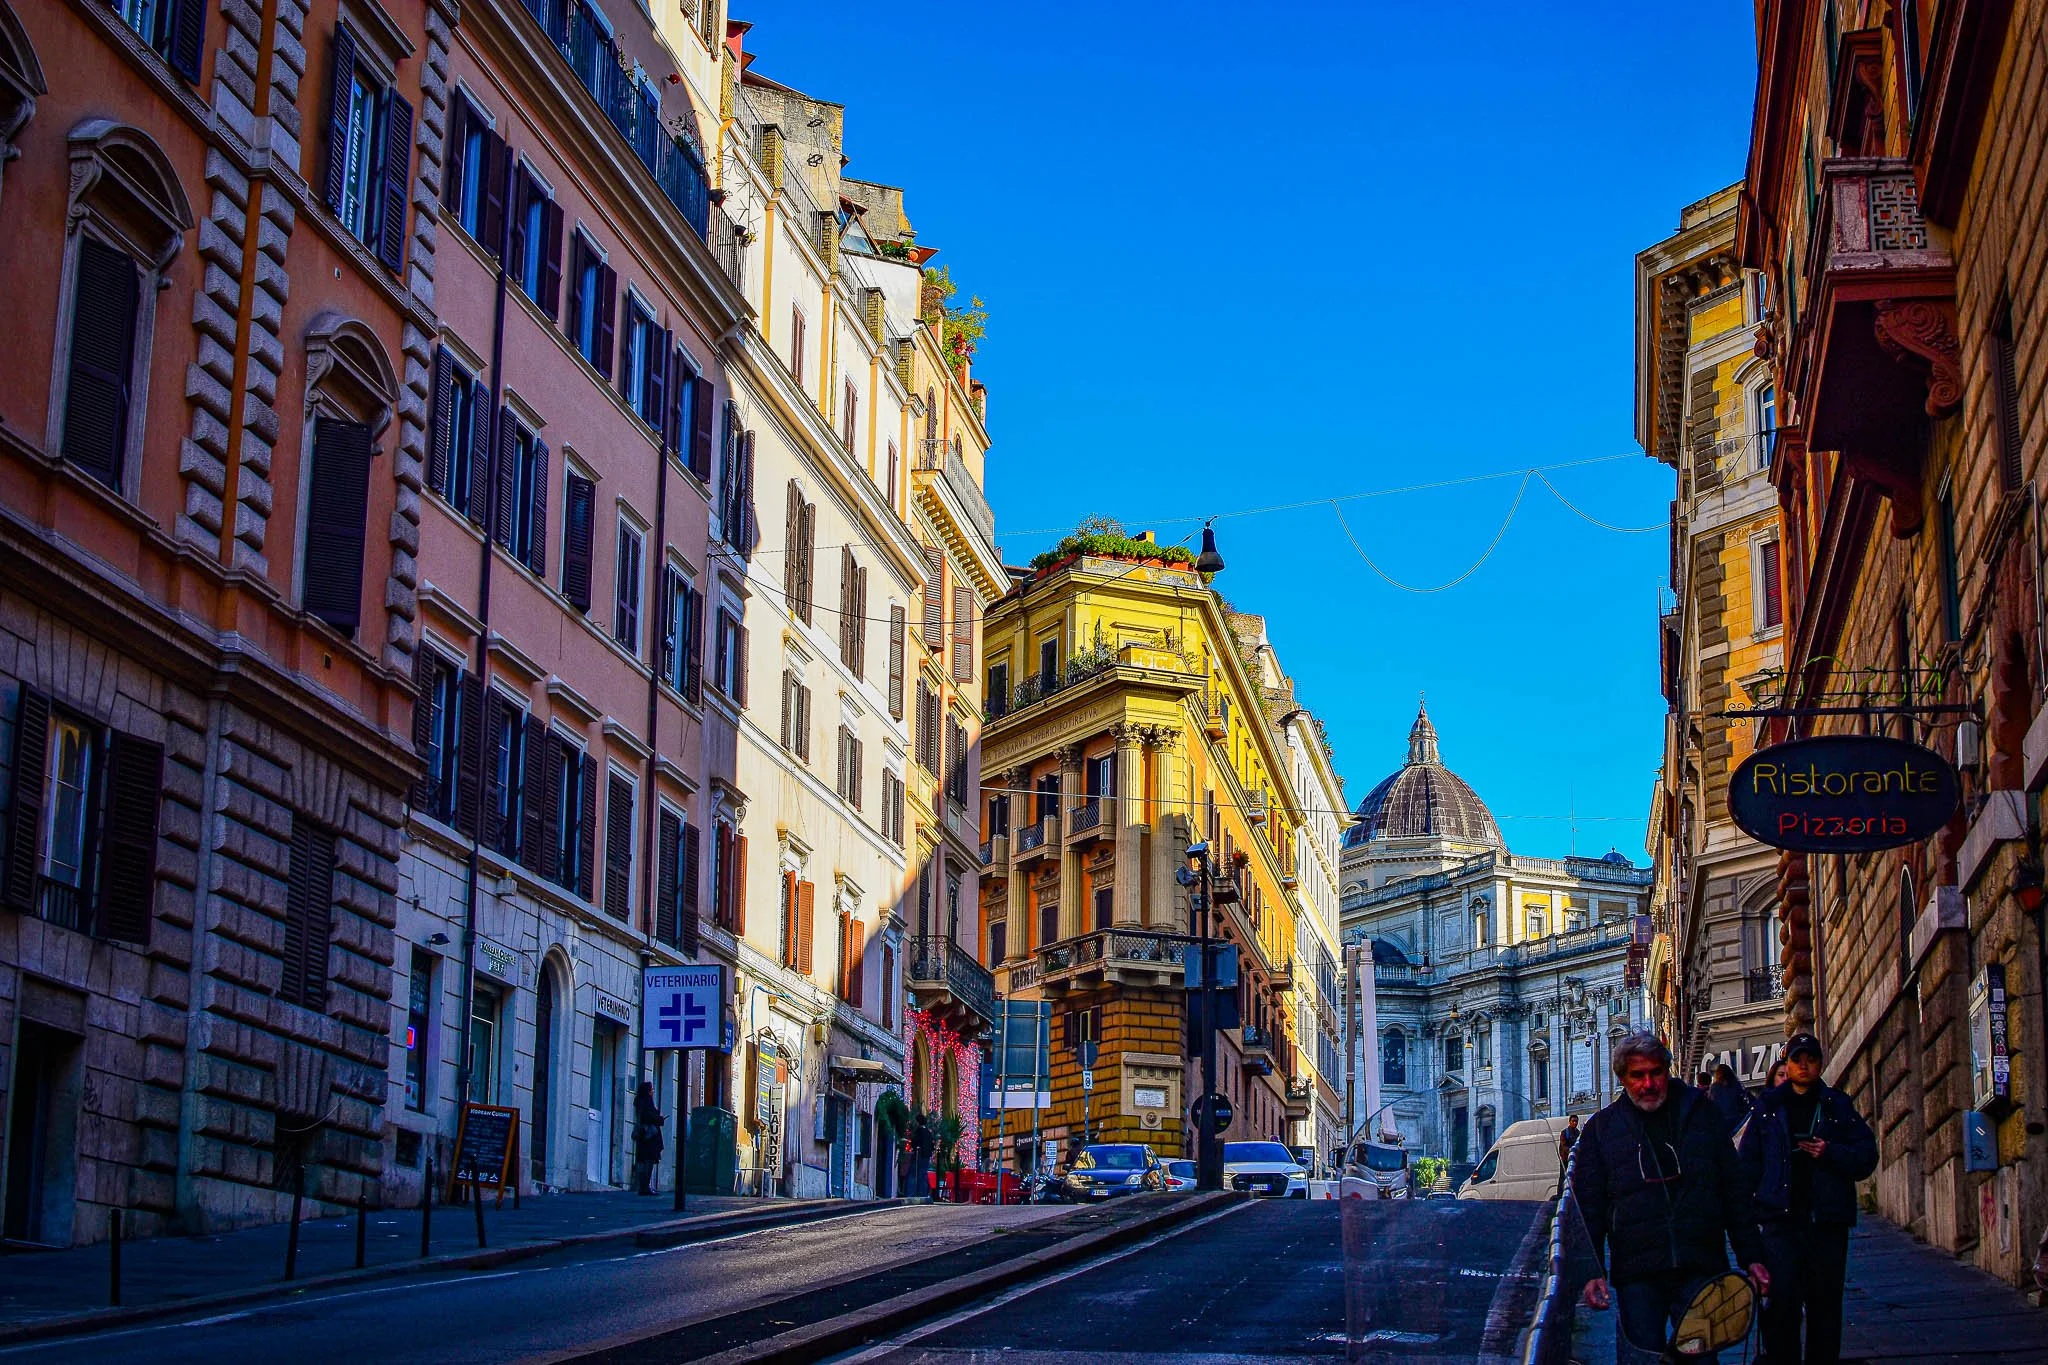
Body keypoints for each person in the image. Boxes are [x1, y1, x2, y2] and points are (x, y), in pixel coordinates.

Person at [1573, 1032, 1769, 1362]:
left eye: (1656, 1073)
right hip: (1638, 1271)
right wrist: (1590, 1271)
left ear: (1667, 1070)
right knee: (1643, 1357)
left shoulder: (1702, 1115)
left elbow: (1733, 1189)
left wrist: (1752, 1256)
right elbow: (1589, 1206)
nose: (1648, 1084)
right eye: (1638, 1075)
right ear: (1622, 1078)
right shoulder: (1602, 1129)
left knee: (1702, 1358)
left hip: (1700, 1264)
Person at [1738, 1033, 1877, 1365]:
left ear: (1819, 1063)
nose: (1803, 1065)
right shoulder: (1768, 1107)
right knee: (1782, 1304)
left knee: (1825, 1306)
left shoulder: (1836, 1105)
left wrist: (1830, 1153)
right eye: (1797, 1059)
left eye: (1810, 1059)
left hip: (1826, 1221)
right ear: (1787, 1063)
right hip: (1781, 1221)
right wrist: (1750, 1216)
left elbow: (1865, 1156)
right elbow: (1748, 1164)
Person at [631, 1081, 665, 1195]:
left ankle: (644, 1186)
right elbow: (649, 1117)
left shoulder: (639, 1102)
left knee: (644, 1160)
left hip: (643, 1135)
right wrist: (660, 1119)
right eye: (651, 1090)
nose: (653, 1091)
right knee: (649, 1161)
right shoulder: (646, 1102)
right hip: (650, 1135)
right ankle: (645, 1187)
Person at [1707, 1063, 1753, 1133]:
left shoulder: (1715, 1088)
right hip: (1738, 1121)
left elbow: (1711, 1105)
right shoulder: (1737, 1086)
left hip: (1721, 1122)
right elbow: (1744, 1102)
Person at [1556, 1113, 1581, 1196]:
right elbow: (1563, 1146)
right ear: (1569, 1122)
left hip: (1574, 1159)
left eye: (1576, 1121)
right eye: (1573, 1121)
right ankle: (1560, 1194)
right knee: (1563, 1177)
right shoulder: (1564, 1133)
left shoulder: (1578, 1133)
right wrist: (1570, 1151)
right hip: (1565, 1159)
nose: (1575, 1123)